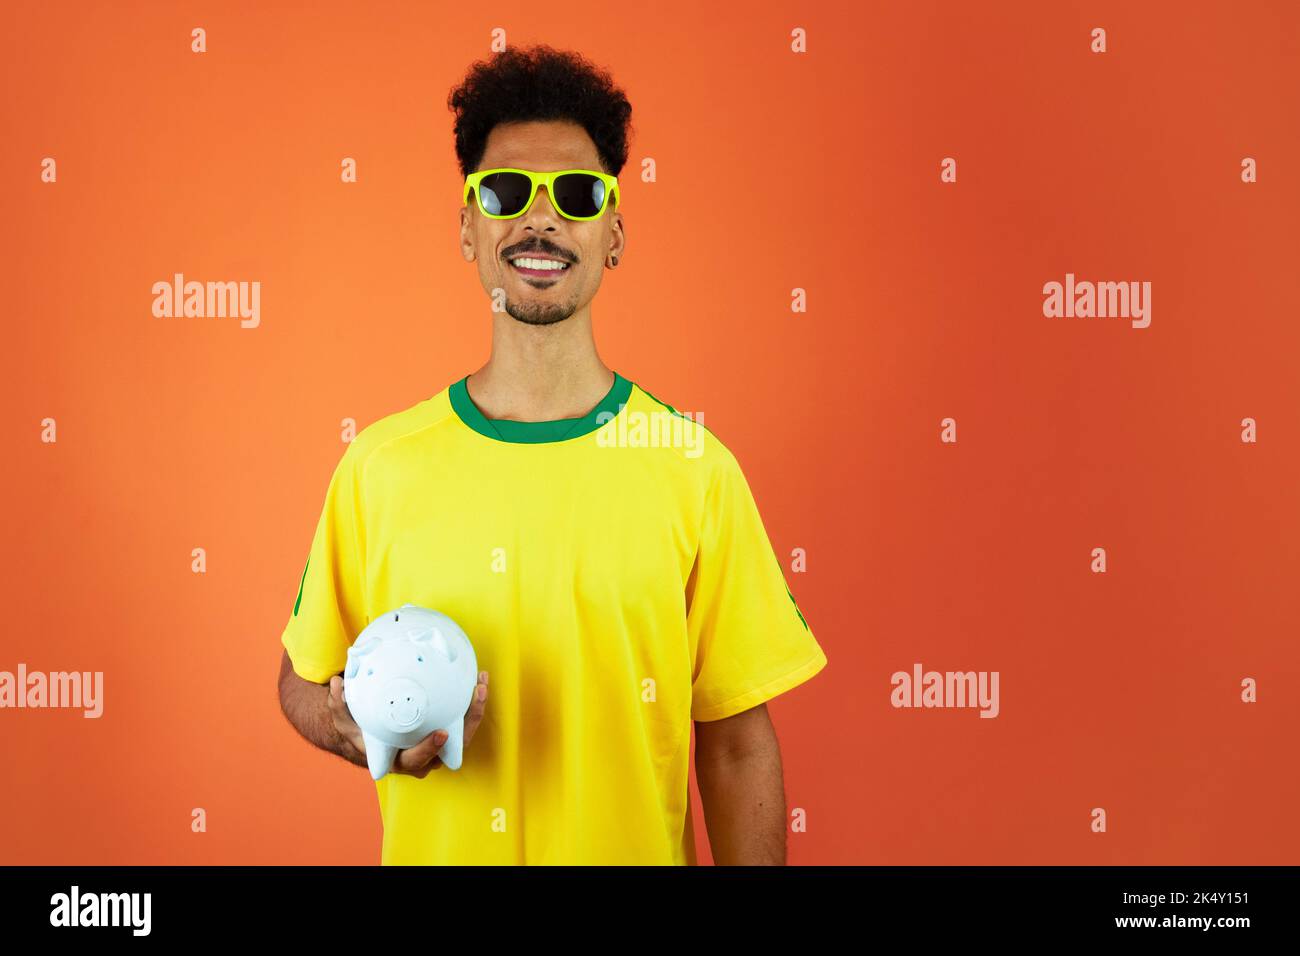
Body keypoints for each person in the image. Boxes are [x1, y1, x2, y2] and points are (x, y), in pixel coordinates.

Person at [276, 43, 827, 865]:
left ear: (613, 234)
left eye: (576, 194)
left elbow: (738, 745)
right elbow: (301, 676)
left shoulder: (692, 467)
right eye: (504, 193)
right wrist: (344, 725)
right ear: (468, 228)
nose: (540, 218)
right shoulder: (379, 466)